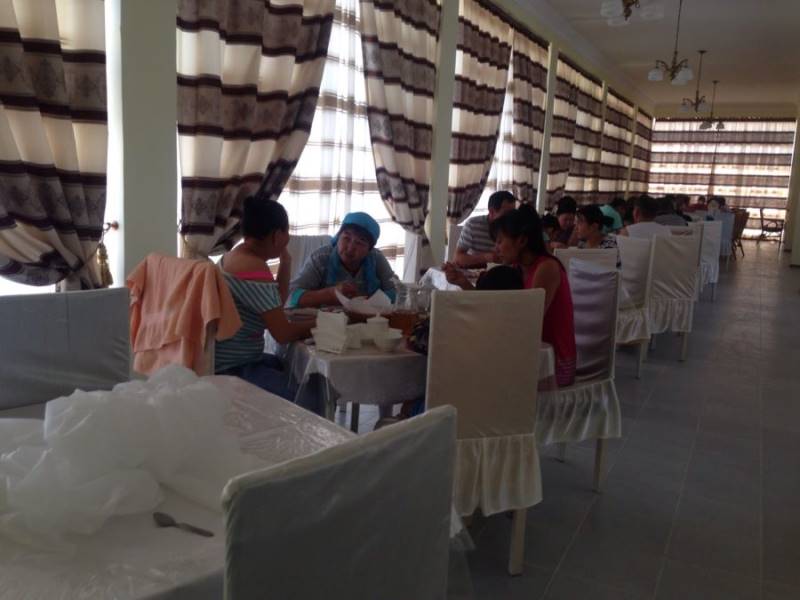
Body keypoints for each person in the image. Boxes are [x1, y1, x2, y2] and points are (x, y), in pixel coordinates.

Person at [445, 205, 576, 387]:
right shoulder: (518, 268)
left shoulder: (546, 268)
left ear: (521, 241)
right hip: (526, 352)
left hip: (552, 363)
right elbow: (497, 308)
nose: (496, 248)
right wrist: (463, 283)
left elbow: (527, 322)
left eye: (499, 241)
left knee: (468, 374)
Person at [215, 198, 315, 401]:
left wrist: (286, 262)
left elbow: (276, 303)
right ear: (277, 235)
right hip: (234, 367)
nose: (289, 238)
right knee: (309, 395)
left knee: (289, 367)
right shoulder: (254, 269)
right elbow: (283, 333)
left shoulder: (232, 256)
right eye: (287, 232)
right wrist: (322, 322)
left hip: (224, 359)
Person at [288, 212, 397, 308]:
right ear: (338, 237)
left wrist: (368, 301)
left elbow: (397, 291)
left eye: (360, 242)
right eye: (346, 238)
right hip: (326, 321)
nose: (350, 248)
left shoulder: (376, 258)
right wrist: (330, 294)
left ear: (369, 249)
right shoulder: (320, 258)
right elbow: (291, 295)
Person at [454, 190, 517, 268]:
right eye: (506, 213)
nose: (510, 218)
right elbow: (458, 259)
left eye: (513, 213)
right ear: (492, 212)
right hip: (476, 271)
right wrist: (486, 257)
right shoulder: (473, 225)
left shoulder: (514, 227)